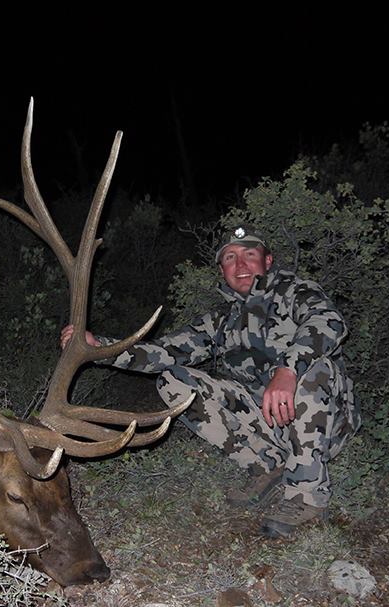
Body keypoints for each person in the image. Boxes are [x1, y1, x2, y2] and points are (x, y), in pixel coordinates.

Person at [60, 226, 360, 537]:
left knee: (312, 371)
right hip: (269, 422)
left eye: (249, 255)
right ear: (222, 269)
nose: (240, 265)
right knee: (174, 381)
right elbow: (164, 352)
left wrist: (288, 370)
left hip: (327, 425)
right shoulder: (221, 319)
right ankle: (267, 466)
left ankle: (307, 495)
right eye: (231, 258)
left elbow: (329, 322)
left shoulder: (296, 292)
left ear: (268, 261)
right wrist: (100, 347)